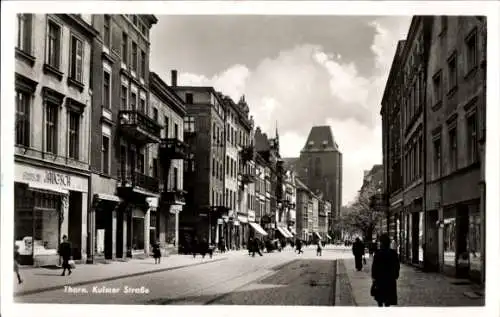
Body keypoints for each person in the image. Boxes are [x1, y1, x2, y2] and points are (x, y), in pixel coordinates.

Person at [371, 234, 400, 307]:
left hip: (380, 279)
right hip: (390, 279)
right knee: (388, 299)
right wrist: (396, 275)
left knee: (380, 299)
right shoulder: (393, 253)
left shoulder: (378, 253)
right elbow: (397, 266)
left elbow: (374, 267)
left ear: (382, 243)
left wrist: (374, 277)